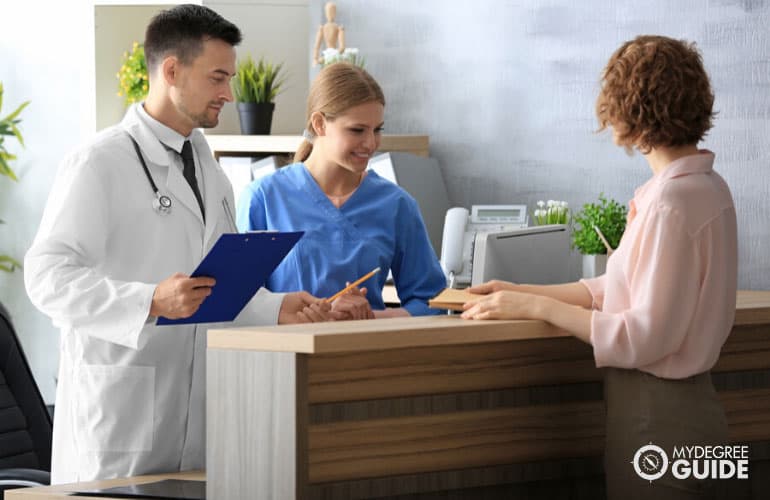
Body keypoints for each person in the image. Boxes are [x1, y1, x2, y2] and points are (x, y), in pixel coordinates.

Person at [24, 5, 336, 484]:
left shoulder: (208, 167)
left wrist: (277, 308)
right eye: (217, 78)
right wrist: (148, 300)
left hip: (196, 414)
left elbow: (214, 285)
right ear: (172, 70)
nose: (228, 93)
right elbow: (45, 277)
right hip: (121, 414)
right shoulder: (98, 162)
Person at [461, 36, 736, 500]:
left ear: (634, 109)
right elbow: (623, 287)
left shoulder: (670, 203)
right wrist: (529, 291)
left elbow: (642, 336)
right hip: (701, 414)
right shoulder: (709, 188)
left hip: (658, 420)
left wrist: (536, 308)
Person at [237, 63, 446, 318]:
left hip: (362, 353)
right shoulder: (263, 199)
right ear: (319, 124)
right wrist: (290, 314)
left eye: (377, 129)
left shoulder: (397, 204)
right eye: (357, 130)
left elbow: (432, 302)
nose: (370, 143)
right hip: (282, 355)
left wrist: (370, 318)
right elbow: (239, 303)